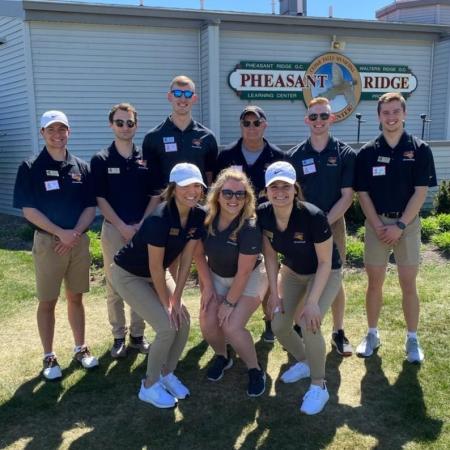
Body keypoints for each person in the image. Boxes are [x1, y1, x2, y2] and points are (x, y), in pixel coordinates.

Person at [109, 163, 206, 408]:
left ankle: (166, 372)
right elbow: (154, 267)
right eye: (185, 186)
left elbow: (186, 261)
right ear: (173, 188)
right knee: (166, 326)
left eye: (197, 185)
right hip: (129, 274)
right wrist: (167, 304)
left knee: (182, 321)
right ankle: (149, 386)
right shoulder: (159, 218)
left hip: (157, 273)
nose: (192, 191)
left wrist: (178, 298)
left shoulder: (198, 215)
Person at [13, 110, 98, 381]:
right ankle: (48, 355)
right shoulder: (30, 167)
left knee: (76, 297)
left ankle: (80, 347)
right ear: (42, 134)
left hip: (77, 241)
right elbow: (28, 209)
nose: (57, 134)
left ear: (69, 132)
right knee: (47, 300)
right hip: (49, 242)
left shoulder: (81, 167)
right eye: (51, 130)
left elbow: (89, 206)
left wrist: (73, 233)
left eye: (62, 129)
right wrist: (60, 233)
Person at [354, 92, 437, 363]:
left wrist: (400, 225)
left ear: (404, 114)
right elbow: (363, 193)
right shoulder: (367, 153)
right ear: (379, 116)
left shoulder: (420, 149)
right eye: (385, 112)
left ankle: (412, 339)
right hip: (377, 224)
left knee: (408, 284)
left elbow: (421, 191)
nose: (391, 117)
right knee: (374, 283)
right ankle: (372, 333)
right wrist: (379, 225)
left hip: (407, 225)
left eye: (395, 111)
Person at [258, 161, 342, 415]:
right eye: (274, 187)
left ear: (295, 189)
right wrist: (275, 293)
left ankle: (319, 384)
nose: (280, 192)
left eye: (286, 186)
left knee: (309, 322)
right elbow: (271, 257)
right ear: (266, 190)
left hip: (324, 273)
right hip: (293, 272)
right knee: (279, 324)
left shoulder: (313, 216)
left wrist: (313, 302)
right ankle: (306, 361)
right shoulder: (263, 213)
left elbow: (326, 261)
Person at [288, 97, 356, 356]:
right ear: (307, 120)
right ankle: (297, 327)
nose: (319, 121)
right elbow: (291, 195)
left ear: (332, 118)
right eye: (314, 116)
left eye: (323, 116)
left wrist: (323, 224)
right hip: (302, 228)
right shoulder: (295, 156)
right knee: (302, 276)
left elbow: (347, 195)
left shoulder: (345, 154)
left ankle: (338, 332)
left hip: (334, 225)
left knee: (334, 279)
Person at [194, 168, 267, 397]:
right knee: (207, 320)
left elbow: (245, 271)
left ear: (247, 198)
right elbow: (198, 255)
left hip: (250, 277)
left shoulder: (250, 226)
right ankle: (222, 356)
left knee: (231, 325)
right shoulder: (205, 217)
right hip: (216, 275)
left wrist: (229, 302)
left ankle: (255, 370)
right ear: (217, 194)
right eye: (227, 193)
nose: (234, 199)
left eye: (240, 194)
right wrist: (207, 287)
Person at [215, 105, 285, 343]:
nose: (252, 127)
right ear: (241, 126)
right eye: (247, 123)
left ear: (265, 125)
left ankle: (268, 321)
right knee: (232, 271)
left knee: (267, 271)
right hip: (234, 225)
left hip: (266, 223)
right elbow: (217, 189)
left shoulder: (277, 156)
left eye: (257, 122)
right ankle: (225, 320)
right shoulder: (226, 155)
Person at [91, 103, 152, 359]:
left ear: (136, 125)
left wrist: (140, 226)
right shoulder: (101, 159)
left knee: (140, 282)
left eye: (129, 123)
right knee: (115, 283)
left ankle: (138, 335)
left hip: (143, 229)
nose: (125, 127)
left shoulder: (146, 157)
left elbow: (156, 195)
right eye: (120, 122)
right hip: (114, 229)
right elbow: (100, 199)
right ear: (111, 125)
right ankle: (118, 336)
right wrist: (123, 227)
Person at [142, 75, 218, 211]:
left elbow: (210, 177)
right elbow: (151, 180)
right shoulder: (153, 137)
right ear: (169, 97)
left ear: (194, 98)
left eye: (188, 94)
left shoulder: (207, 137)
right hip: (166, 210)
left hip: (198, 209)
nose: (183, 98)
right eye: (177, 93)